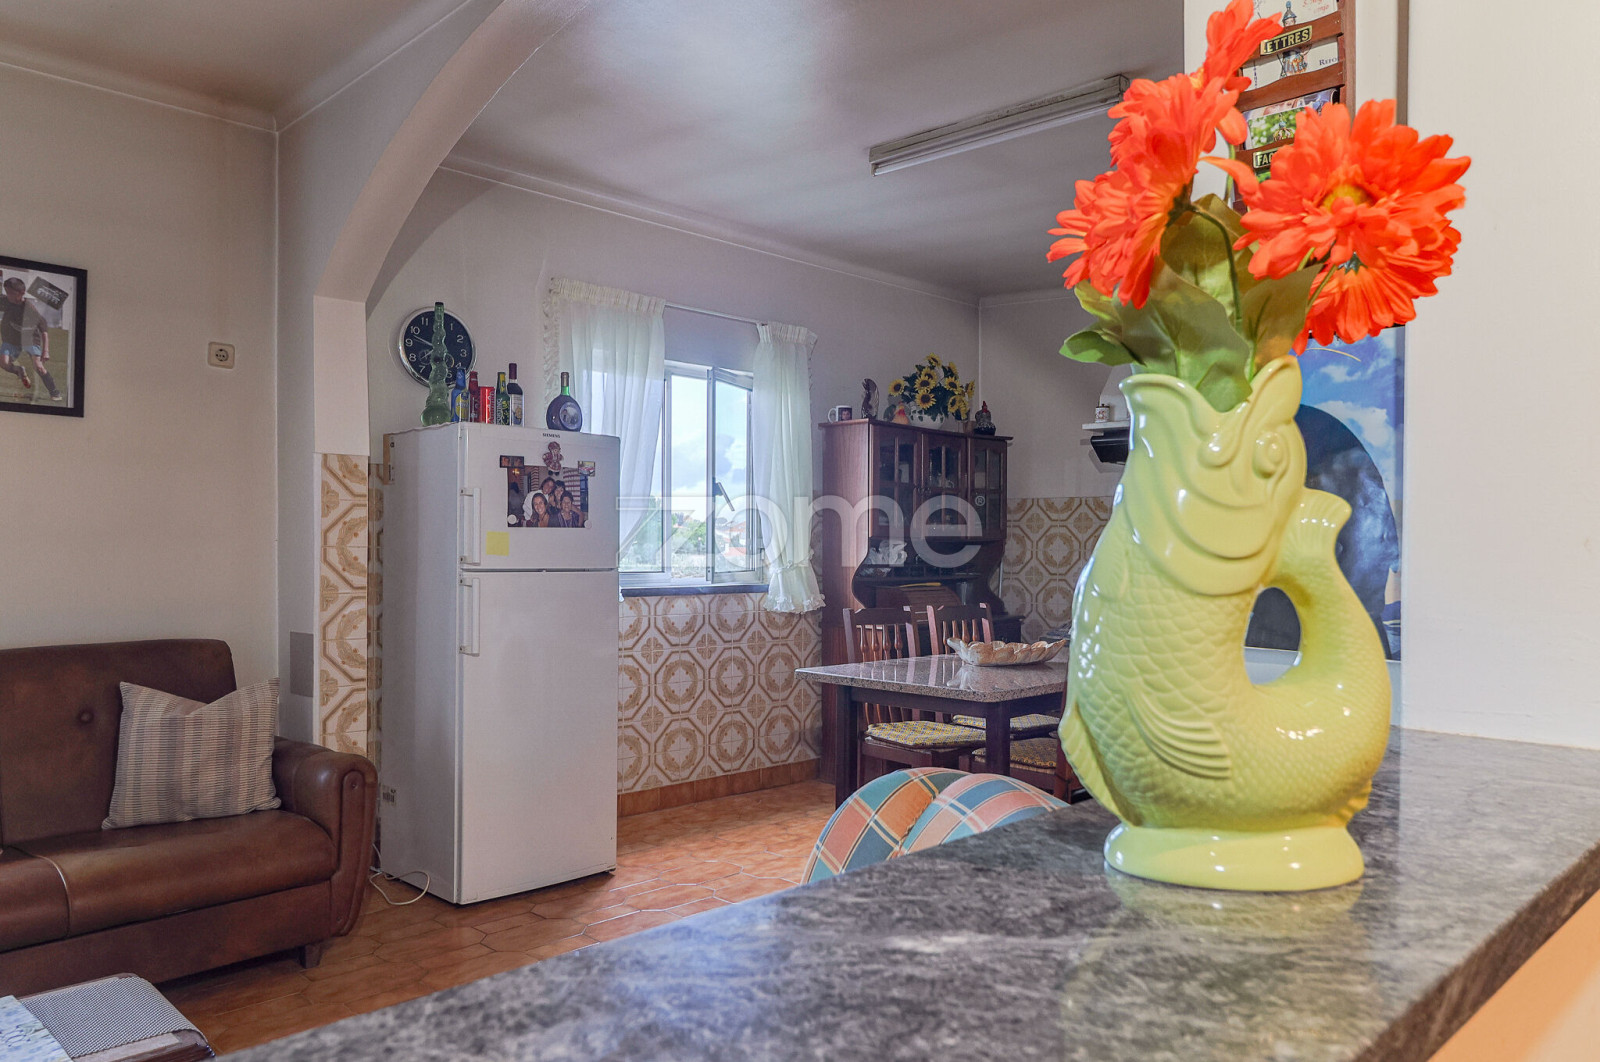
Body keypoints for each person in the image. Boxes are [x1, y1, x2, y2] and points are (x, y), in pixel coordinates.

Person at [0, 278, 61, 401]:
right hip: (11, 339)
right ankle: (19, 370)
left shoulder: (29, 309)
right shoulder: (5, 301)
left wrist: (46, 351)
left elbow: (43, 329)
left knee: (38, 366)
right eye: (7, 292)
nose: (8, 295)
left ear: (22, 293)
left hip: (30, 339)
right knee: (4, 363)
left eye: (11, 293)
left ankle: (54, 392)